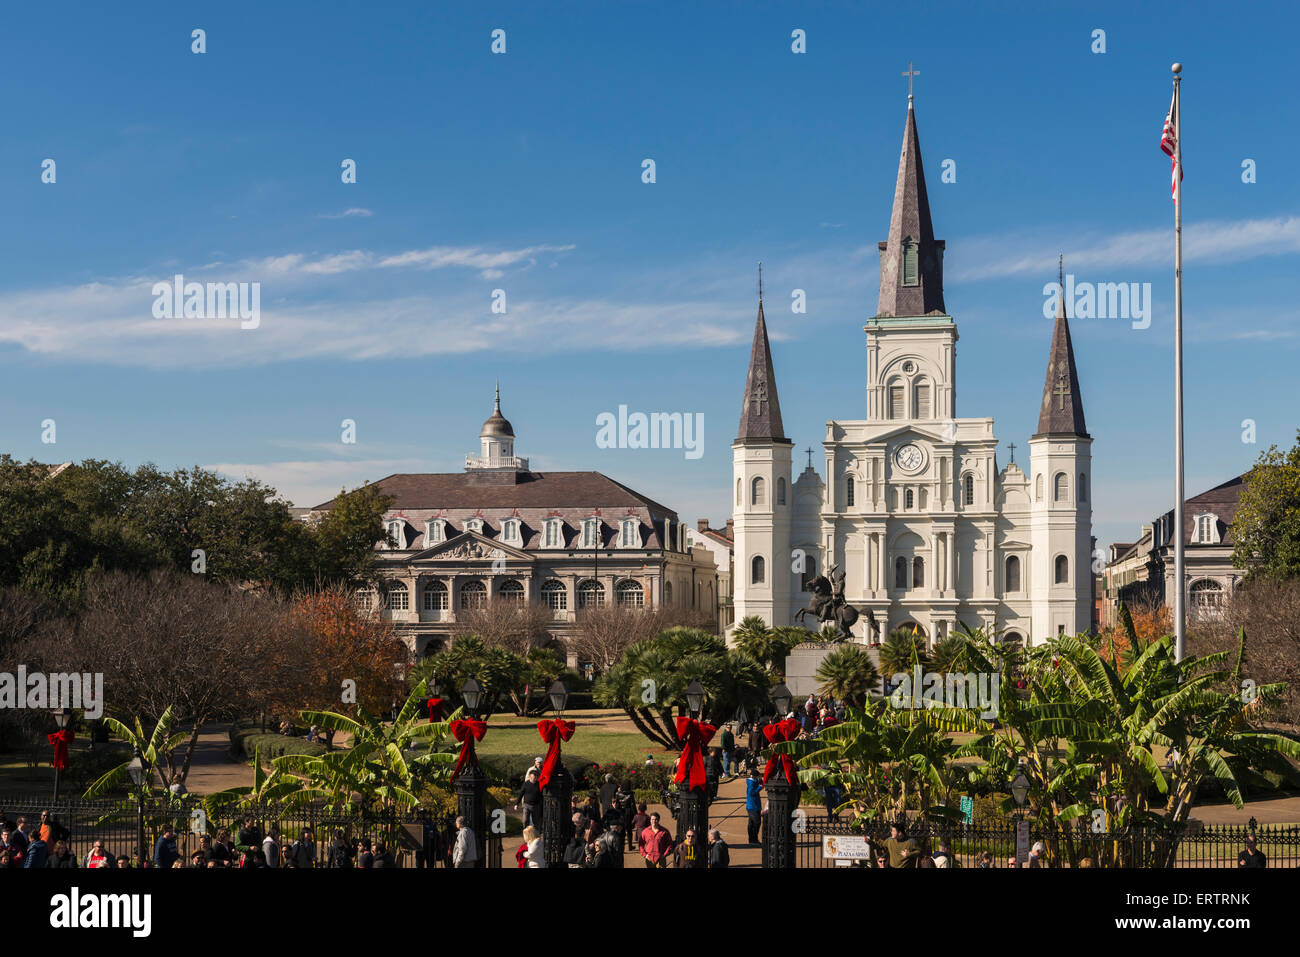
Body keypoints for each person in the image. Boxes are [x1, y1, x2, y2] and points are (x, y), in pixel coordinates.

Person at [745, 768, 764, 845]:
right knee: (756, 823)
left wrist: (760, 781)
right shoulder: (751, 783)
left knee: (752, 823)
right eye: (757, 776)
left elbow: (760, 783)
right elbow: (752, 793)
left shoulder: (753, 782)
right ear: (754, 777)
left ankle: (752, 839)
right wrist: (760, 787)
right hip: (753, 806)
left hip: (753, 806)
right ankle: (753, 840)